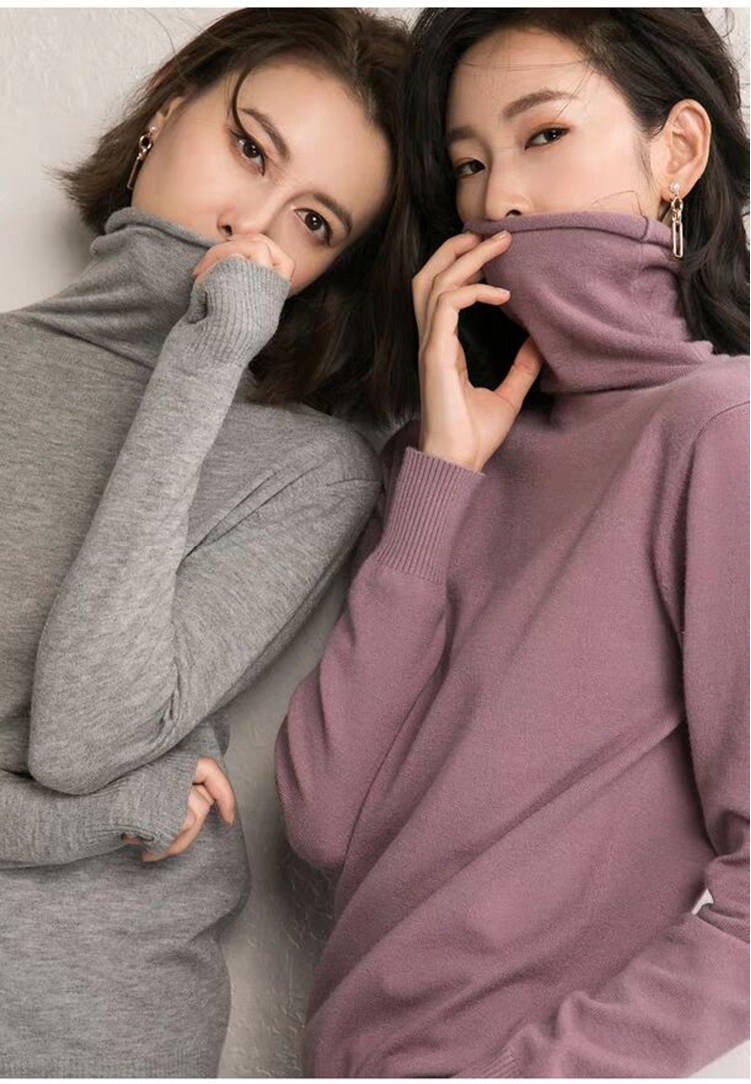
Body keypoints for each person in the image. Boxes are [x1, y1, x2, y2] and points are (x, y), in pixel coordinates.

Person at [275, 7, 750, 1077]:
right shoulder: (440, 463)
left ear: (676, 152)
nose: (499, 201)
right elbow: (319, 817)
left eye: (543, 134)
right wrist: (440, 474)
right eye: (469, 164)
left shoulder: (719, 433)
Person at [0, 7, 419, 1077]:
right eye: (249, 148)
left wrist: (205, 358)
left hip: (84, 1026)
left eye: (313, 222)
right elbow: (90, 783)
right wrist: (84, 819)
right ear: (168, 107)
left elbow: (82, 734)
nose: (251, 225)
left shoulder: (306, 468)